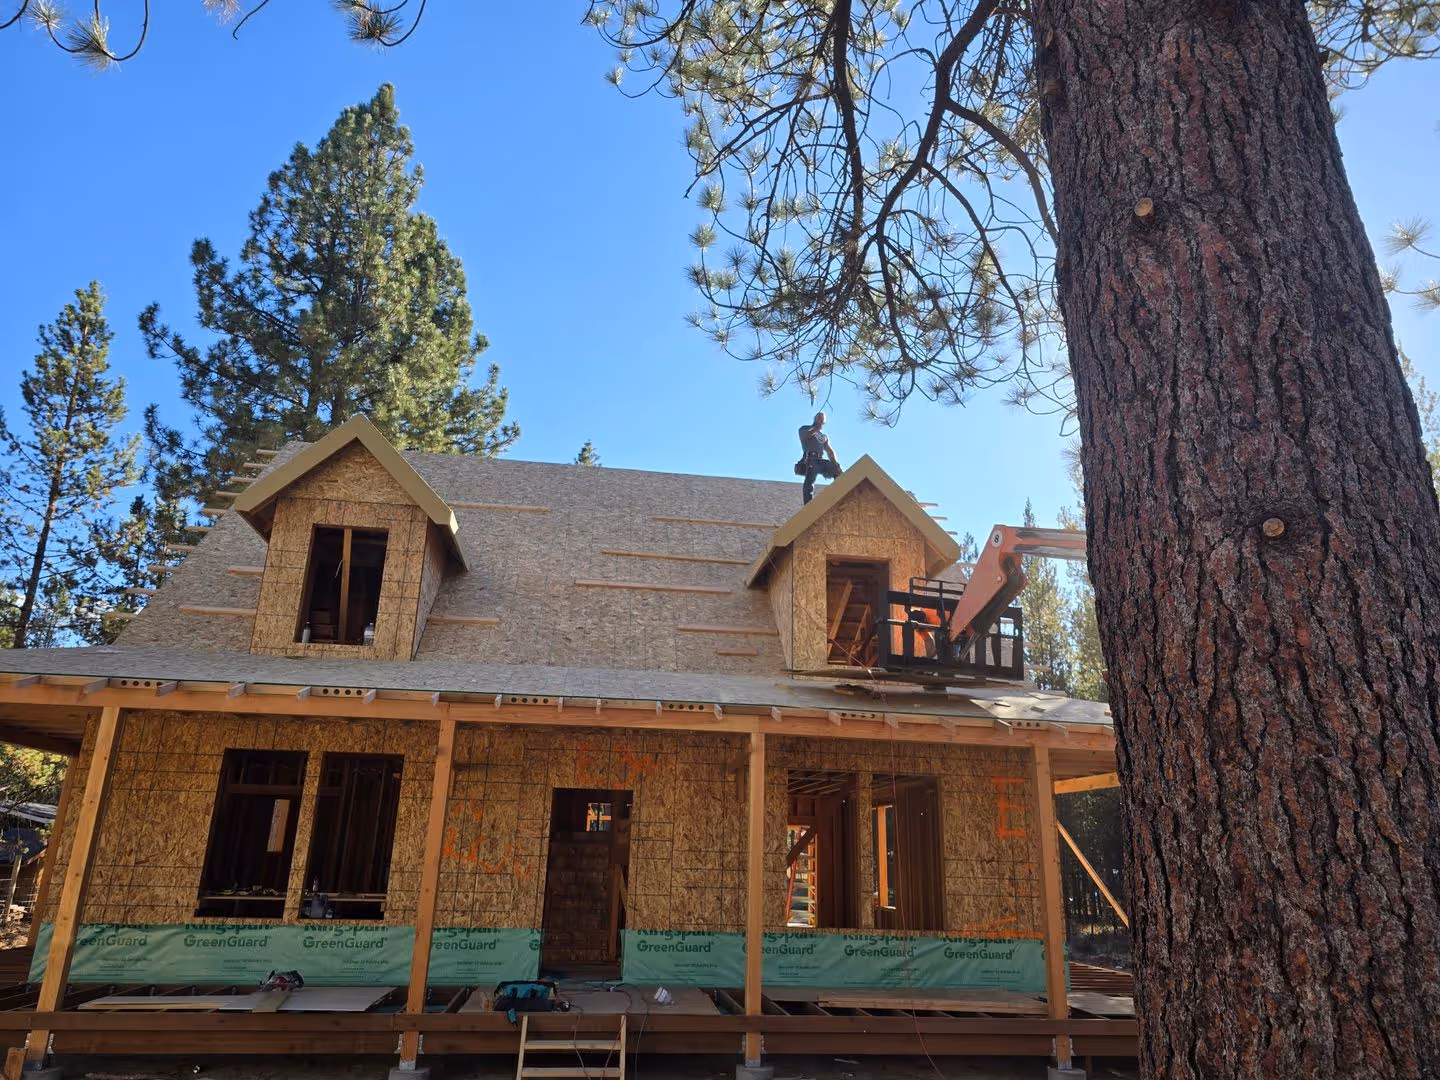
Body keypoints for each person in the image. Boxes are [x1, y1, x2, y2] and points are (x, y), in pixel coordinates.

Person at [795, 411, 841, 504]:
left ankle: (839, 496)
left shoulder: (824, 437)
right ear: (815, 418)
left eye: (822, 419)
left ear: (824, 422)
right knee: (809, 482)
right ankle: (808, 504)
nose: (820, 420)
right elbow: (803, 437)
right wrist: (815, 429)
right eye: (819, 417)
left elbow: (829, 450)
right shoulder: (805, 428)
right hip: (810, 459)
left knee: (837, 472)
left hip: (820, 460)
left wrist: (835, 464)